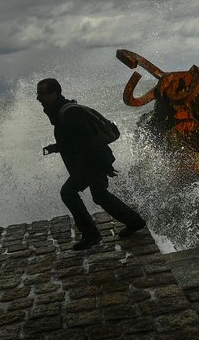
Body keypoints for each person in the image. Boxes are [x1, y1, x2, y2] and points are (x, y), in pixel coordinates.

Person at [37, 78, 146, 250]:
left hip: (90, 163)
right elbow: (74, 140)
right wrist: (55, 148)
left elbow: (91, 141)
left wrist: (105, 165)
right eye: (38, 94)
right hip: (89, 162)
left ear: (54, 94)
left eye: (42, 94)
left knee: (68, 193)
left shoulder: (70, 113)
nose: (38, 98)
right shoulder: (60, 112)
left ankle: (91, 234)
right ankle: (135, 222)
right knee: (100, 196)